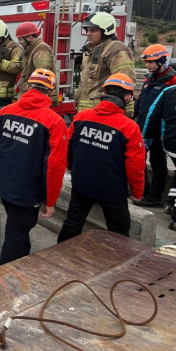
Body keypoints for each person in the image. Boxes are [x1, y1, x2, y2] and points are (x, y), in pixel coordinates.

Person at [0, 69, 67, 265]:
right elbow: (54, 166)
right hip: (27, 192)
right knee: (17, 232)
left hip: (5, 184)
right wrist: (50, 199)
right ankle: (6, 274)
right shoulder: (55, 122)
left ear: (28, 87)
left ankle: (22, 259)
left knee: (18, 228)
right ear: (50, 92)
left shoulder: (6, 111)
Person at [58, 74, 145, 245]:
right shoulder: (129, 127)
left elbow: (69, 146)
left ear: (104, 92)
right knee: (119, 232)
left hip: (82, 182)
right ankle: (116, 266)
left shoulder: (82, 117)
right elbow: (135, 165)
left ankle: (58, 255)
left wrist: (70, 167)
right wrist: (137, 193)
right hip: (112, 190)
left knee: (73, 222)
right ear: (127, 97)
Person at [134, 44, 176, 207]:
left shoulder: (174, 81)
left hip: (159, 132)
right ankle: (143, 191)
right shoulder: (149, 78)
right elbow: (142, 100)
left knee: (157, 163)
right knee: (138, 161)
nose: (147, 65)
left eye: (151, 62)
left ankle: (155, 197)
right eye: (146, 62)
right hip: (143, 127)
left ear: (162, 60)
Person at [74, 11, 135, 114]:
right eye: (87, 30)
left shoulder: (117, 50)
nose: (88, 34)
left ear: (106, 30)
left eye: (93, 30)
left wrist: (125, 114)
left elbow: (126, 83)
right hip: (87, 114)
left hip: (105, 113)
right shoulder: (90, 51)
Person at [143, 75, 176, 229]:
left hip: (171, 143)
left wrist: (148, 136)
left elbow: (153, 115)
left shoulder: (169, 91)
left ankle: (171, 201)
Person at [15, 22, 54, 95]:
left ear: (30, 38)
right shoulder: (31, 49)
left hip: (35, 97)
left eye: (20, 39)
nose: (19, 42)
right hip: (31, 95)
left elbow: (41, 78)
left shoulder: (41, 49)